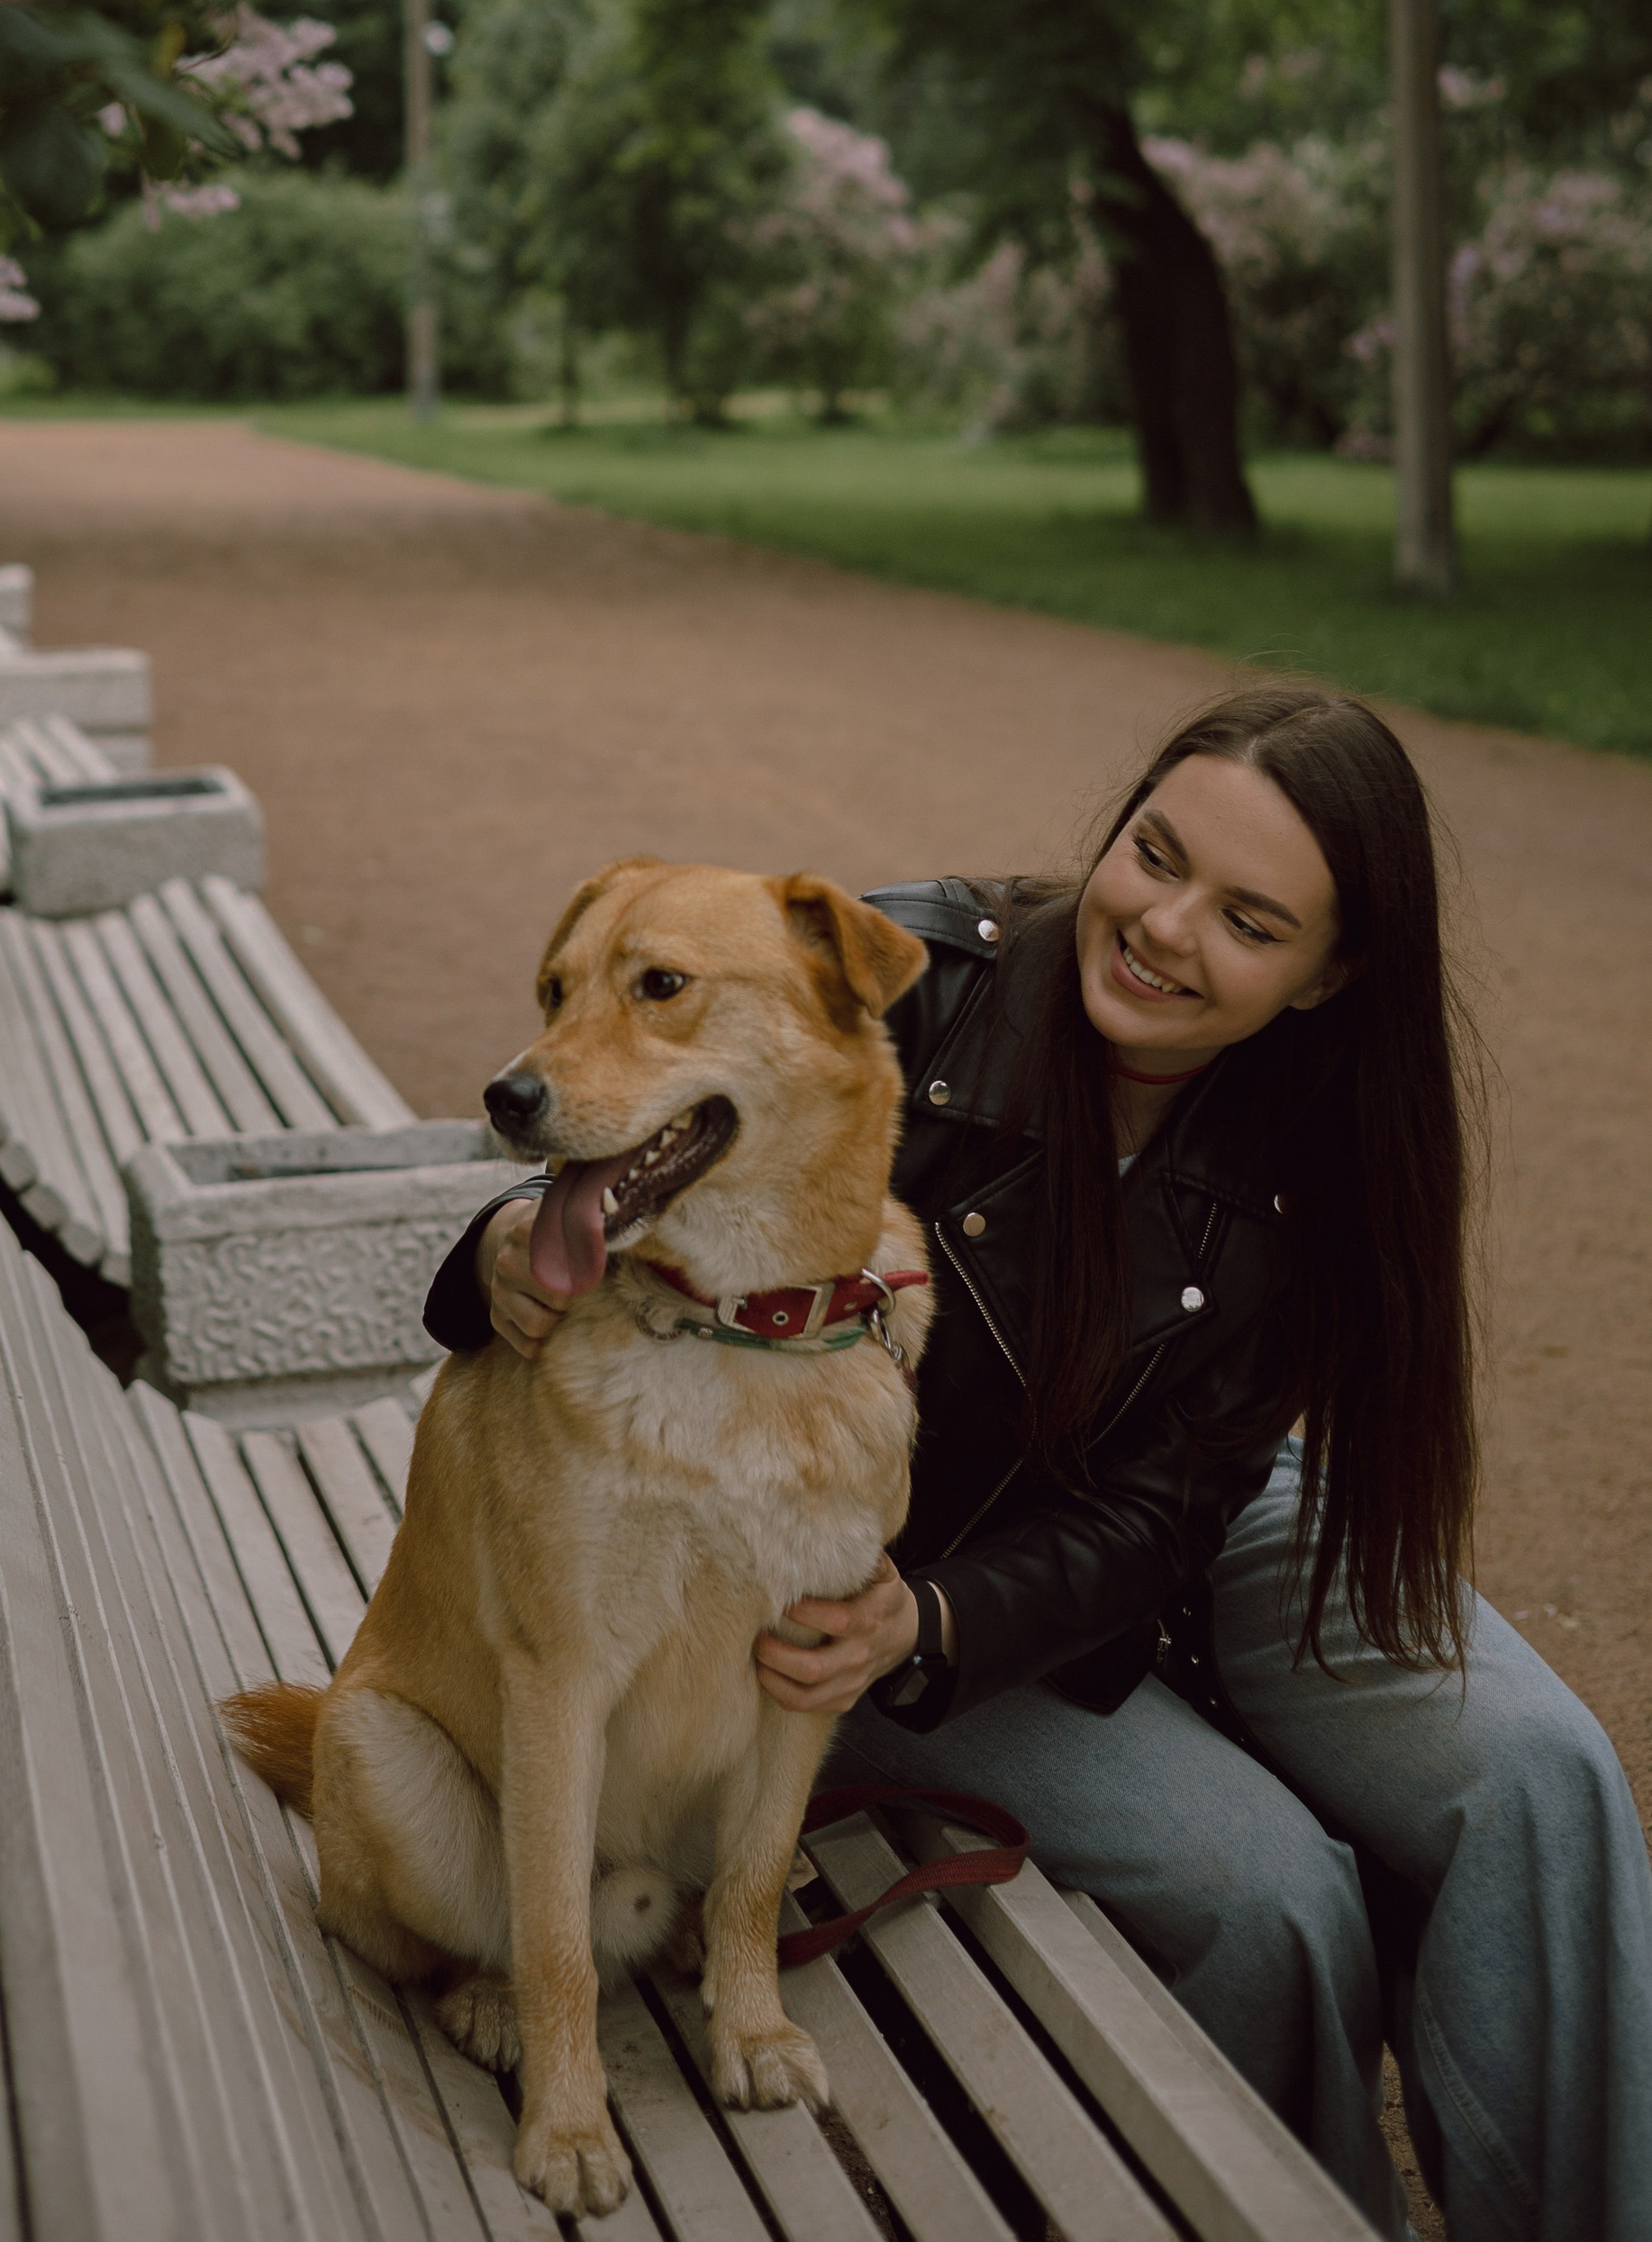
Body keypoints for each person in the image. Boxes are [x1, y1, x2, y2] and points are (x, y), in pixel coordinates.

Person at [422, 685, 1652, 2242]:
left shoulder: (1335, 1133)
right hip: (918, 1570)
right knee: (1260, 1892)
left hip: (1179, 1507)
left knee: (1541, 1776)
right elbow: (609, 1124)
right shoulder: (899, 974)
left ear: (1330, 977)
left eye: (1251, 923)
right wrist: (505, 1248)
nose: (1163, 927)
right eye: (1156, 855)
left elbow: (1173, 1507)